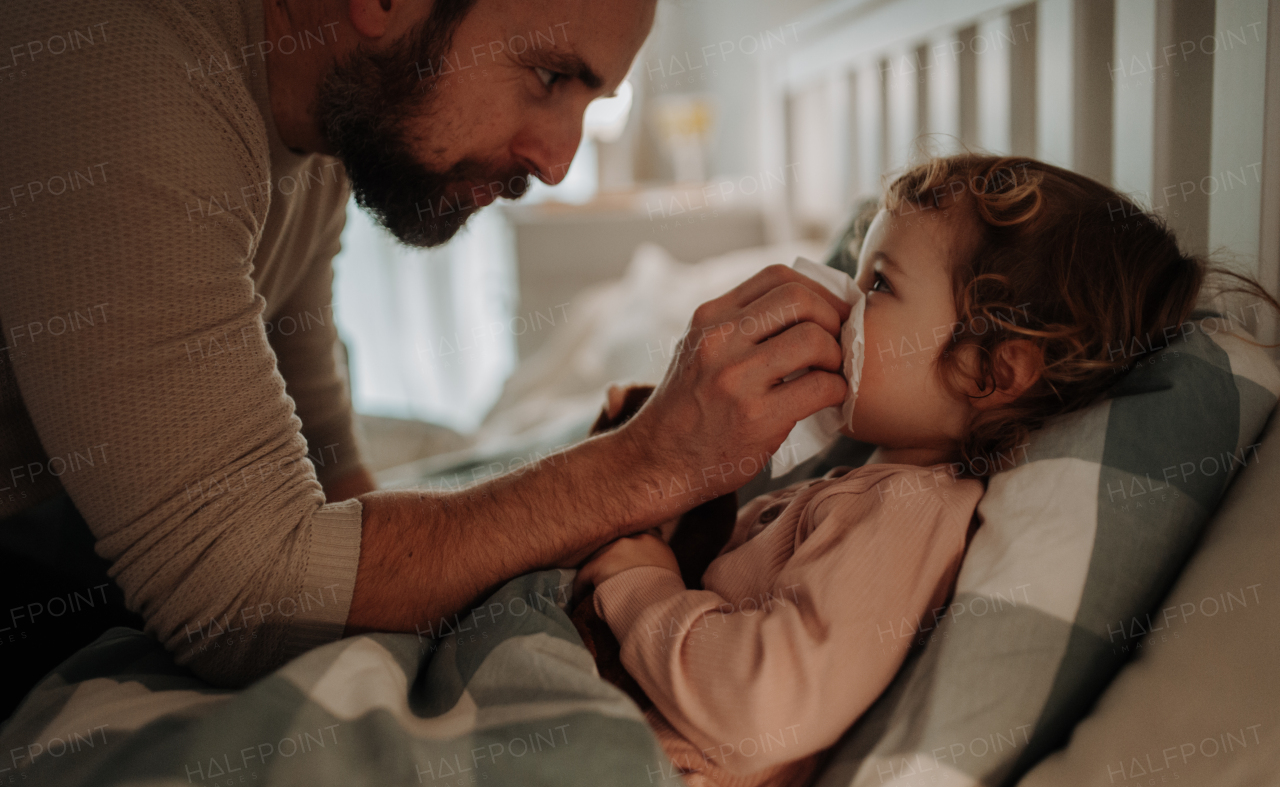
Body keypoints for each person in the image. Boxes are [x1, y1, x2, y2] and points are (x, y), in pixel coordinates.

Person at [0, 0, 851, 717]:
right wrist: (648, 460)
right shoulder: (122, 69)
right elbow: (243, 602)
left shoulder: (319, 131)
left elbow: (329, 469)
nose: (557, 161)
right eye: (551, 77)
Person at [571, 154, 1280, 787]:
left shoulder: (906, 516)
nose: (843, 304)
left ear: (989, 368)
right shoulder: (858, 482)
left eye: (878, 284)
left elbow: (766, 708)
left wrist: (640, 586)